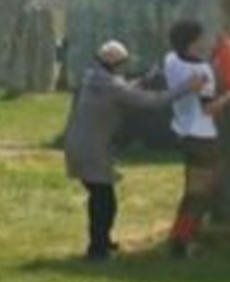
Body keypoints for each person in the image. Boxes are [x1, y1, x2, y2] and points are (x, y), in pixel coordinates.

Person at [63, 40, 207, 261]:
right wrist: (186, 87)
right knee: (103, 201)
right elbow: (152, 102)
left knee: (102, 198)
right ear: (118, 64)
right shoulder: (110, 87)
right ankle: (97, 250)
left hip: (80, 144)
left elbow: (123, 87)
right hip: (92, 149)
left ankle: (103, 242)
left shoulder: (94, 77)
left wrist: (146, 79)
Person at [164, 20, 230, 258]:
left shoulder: (171, 61)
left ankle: (181, 238)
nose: (205, 42)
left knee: (195, 191)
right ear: (191, 43)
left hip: (184, 132)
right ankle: (182, 242)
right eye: (201, 39)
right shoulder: (202, 72)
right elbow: (209, 109)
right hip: (203, 137)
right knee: (199, 194)